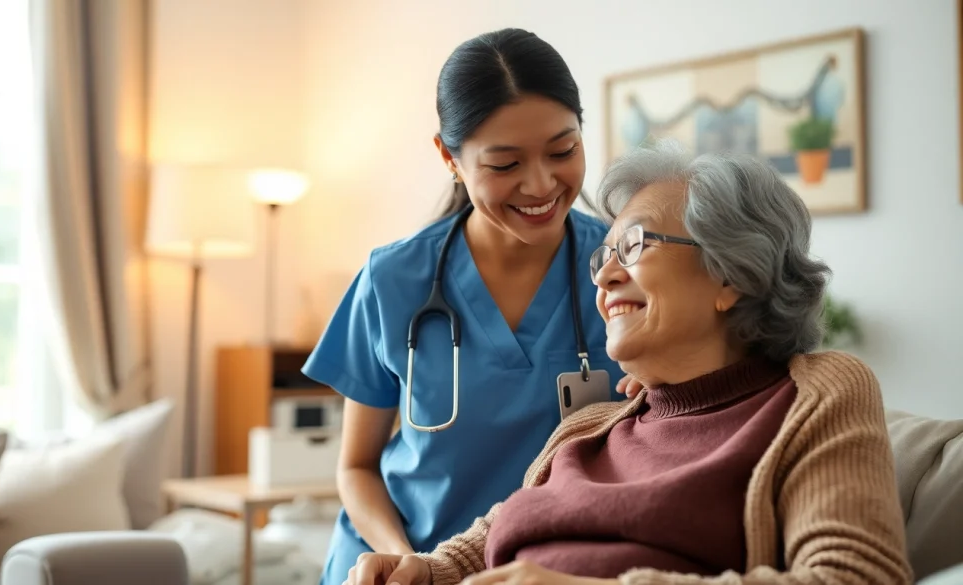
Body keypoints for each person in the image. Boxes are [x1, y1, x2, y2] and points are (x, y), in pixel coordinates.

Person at [344, 140, 913, 585]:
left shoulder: (814, 393)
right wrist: (424, 570)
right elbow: (492, 538)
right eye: (604, 255)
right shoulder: (591, 427)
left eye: (635, 246)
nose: (605, 276)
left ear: (732, 276)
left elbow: (855, 576)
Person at [301, 28, 626, 585]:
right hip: (396, 564)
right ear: (449, 158)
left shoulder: (625, 270)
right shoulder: (394, 279)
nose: (541, 184)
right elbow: (356, 466)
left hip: (546, 572)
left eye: (563, 151)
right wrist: (408, 561)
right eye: (505, 164)